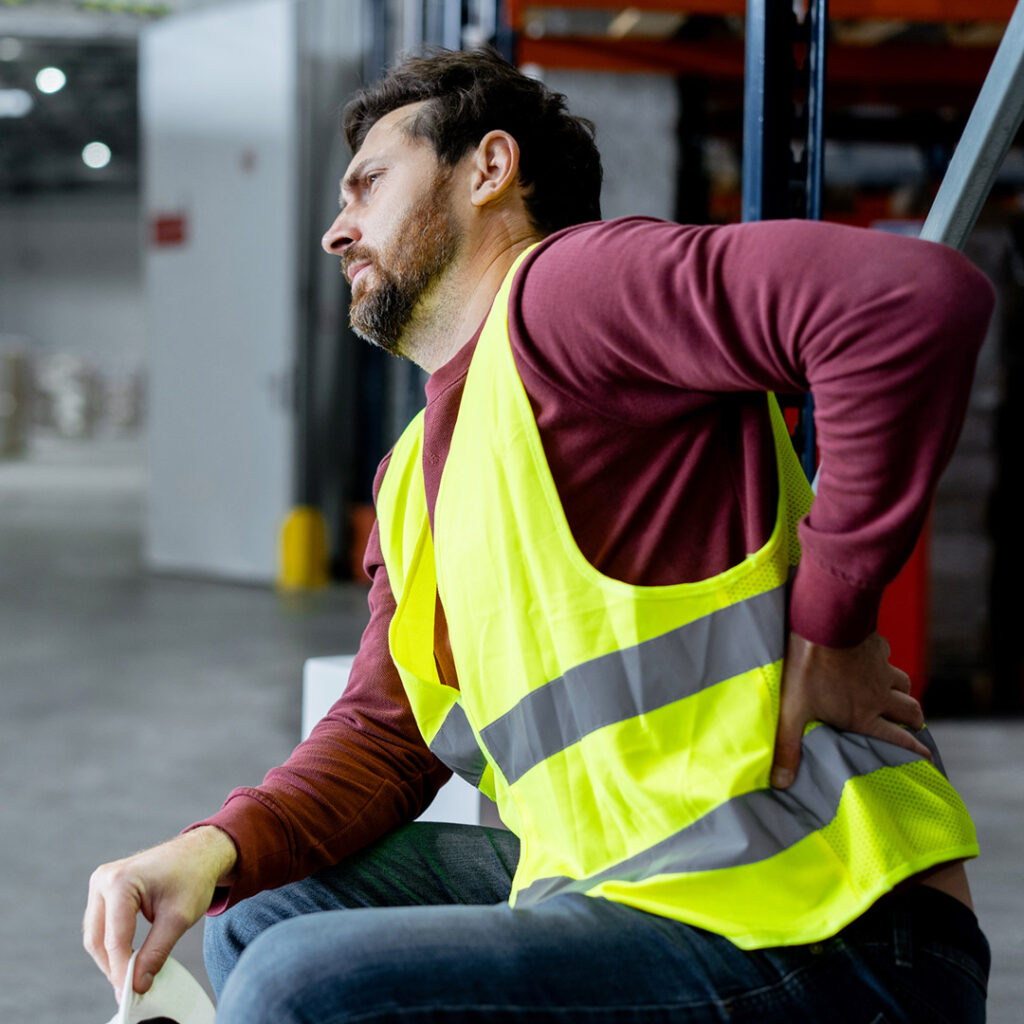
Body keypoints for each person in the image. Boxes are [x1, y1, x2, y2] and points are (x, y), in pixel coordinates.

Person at [85, 47, 995, 1023]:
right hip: (633, 897)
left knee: (292, 985)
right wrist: (215, 844)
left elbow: (906, 302)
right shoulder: (414, 477)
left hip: (831, 929)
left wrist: (831, 622)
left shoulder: (568, 296)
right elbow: (384, 739)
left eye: (369, 183)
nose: (333, 230)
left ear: (488, 169)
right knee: (254, 910)